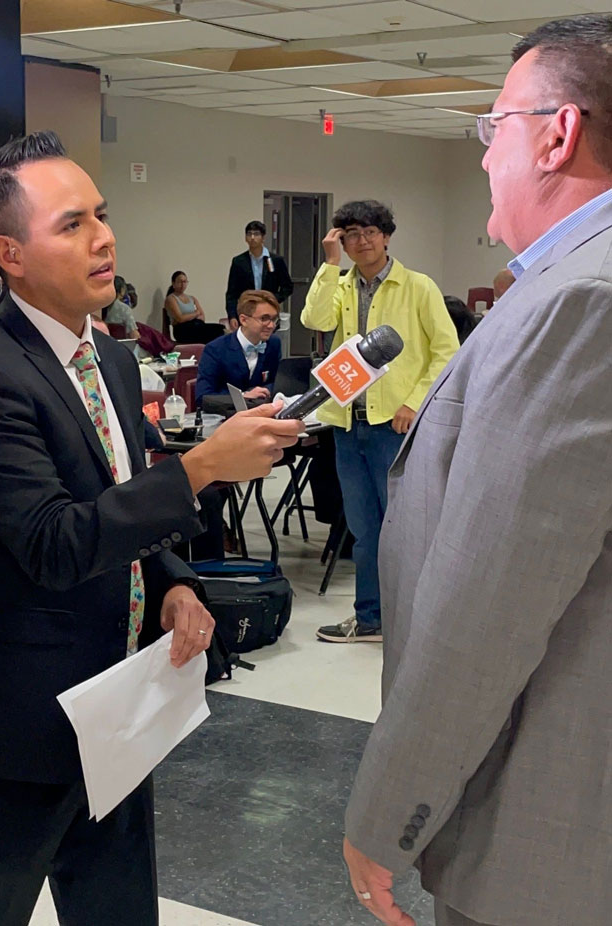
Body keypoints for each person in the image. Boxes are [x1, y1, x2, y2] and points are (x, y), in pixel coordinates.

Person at [0, 131, 302, 926]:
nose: (103, 237)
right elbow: (57, 542)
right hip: (15, 725)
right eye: (71, 224)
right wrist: (201, 469)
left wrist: (175, 583)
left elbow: (122, 496)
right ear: (10, 254)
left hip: (119, 708)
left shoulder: (112, 360)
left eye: (102, 213)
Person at [343, 15, 612, 926]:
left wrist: (390, 812)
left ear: (557, 134)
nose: (485, 154)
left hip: (544, 820)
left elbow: (489, 608)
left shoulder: (581, 303)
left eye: (493, 128)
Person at [301, 201, 458, 644]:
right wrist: (329, 265)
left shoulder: (419, 287)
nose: (362, 241)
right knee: (364, 531)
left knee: (403, 528)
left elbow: (447, 352)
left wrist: (414, 401)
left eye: (370, 231)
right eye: (352, 234)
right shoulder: (343, 284)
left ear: (386, 236)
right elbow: (315, 319)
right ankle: (370, 618)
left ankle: (413, 620)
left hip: (395, 426)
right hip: (348, 423)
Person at [195, 290, 282, 402]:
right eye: (264, 319)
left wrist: (266, 391)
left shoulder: (274, 343)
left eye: (274, 319)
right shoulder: (215, 349)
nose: (271, 325)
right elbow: (203, 396)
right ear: (243, 320)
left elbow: (276, 382)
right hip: (227, 415)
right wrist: (243, 396)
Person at [225, 220, 293, 329]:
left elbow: (288, 287)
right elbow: (231, 293)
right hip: (247, 311)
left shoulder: (275, 260)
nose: (252, 237)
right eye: (249, 234)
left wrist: (272, 299)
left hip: (268, 310)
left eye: (256, 234)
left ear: (263, 237)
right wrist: (232, 315)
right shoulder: (239, 261)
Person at [164, 270, 224, 343]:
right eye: (180, 282)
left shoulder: (192, 298)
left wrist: (189, 316)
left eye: (185, 282)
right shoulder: (171, 298)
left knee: (221, 328)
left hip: (197, 326)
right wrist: (195, 314)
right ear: (173, 283)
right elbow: (180, 318)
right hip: (183, 331)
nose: (183, 284)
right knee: (218, 331)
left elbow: (202, 317)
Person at [103, 274, 138, 339]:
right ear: (122, 290)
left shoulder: (100, 306)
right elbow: (134, 335)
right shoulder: (124, 308)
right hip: (122, 345)